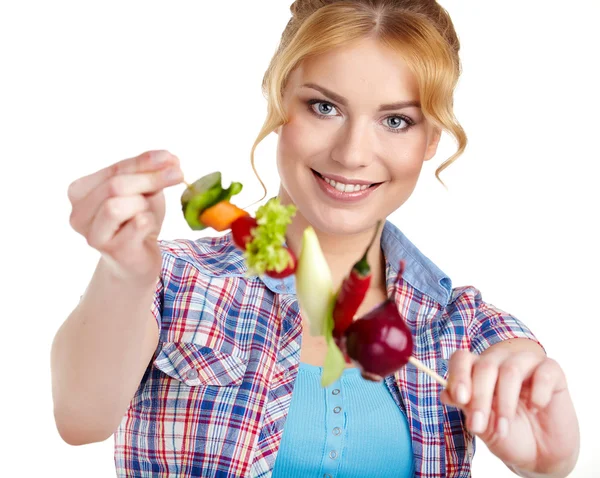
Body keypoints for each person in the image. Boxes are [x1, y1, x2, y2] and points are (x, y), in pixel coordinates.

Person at [50, 0, 580, 476]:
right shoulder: (174, 283)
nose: (352, 153)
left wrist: (550, 465)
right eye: (324, 107)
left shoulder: (460, 328)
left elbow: (530, 395)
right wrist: (126, 274)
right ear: (280, 103)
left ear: (430, 140)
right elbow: (80, 416)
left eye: (395, 121)